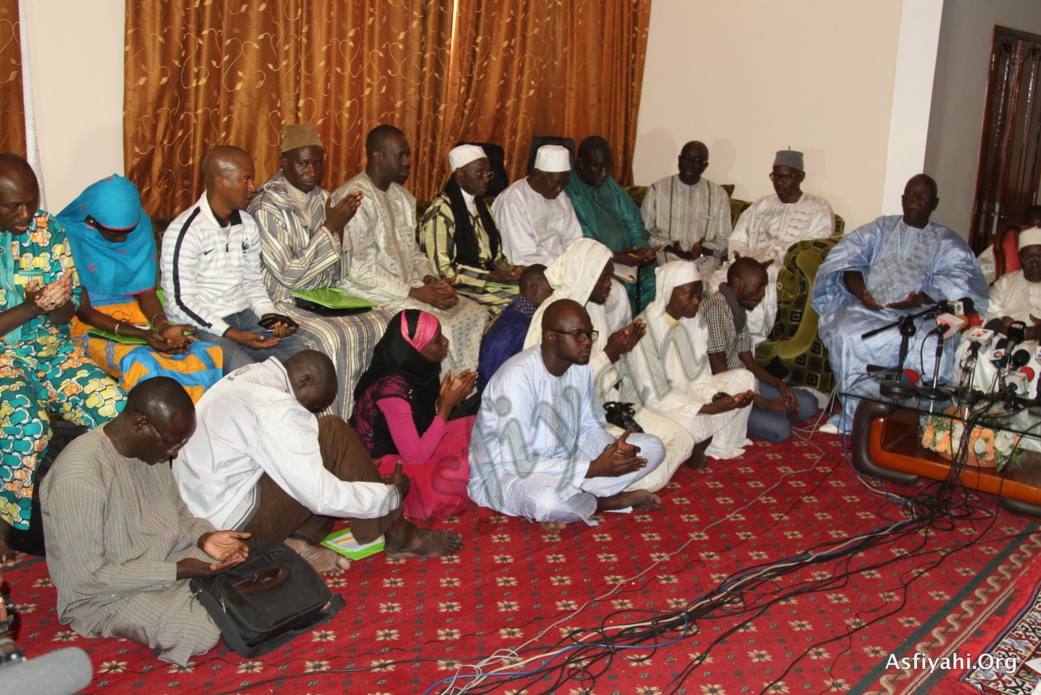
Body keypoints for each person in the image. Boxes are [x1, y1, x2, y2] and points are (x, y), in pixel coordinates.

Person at [175, 349, 463, 575]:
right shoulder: (274, 408)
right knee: (333, 432)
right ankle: (400, 533)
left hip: (210, 512)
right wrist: (388, 496)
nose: (313, 413)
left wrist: (356, 478)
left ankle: (296, 542)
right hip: (231, 537)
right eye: (314, 406)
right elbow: (321, 497)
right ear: (305, 382)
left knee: (325, 441)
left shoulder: (253, 376)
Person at [40, 377, 250, 666]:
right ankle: (200, 597)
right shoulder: (79, 476)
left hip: (169, 559)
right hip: (106, 594)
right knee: (201, 629)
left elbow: (178, 512)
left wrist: (204, 537)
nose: (174, 453)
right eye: (172, 443)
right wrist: (175, 571)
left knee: (246, 569)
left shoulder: (152, 452)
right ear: (140, 424)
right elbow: (86, 577)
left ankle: (203, 594)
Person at [0, 154, 125, 559]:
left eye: (31, 201)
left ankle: (118, 516)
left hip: (50, 352)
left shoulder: (48, 229)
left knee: (114, 406)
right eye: (13, 206)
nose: (26, 213)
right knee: (26, 422)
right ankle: (4, 530)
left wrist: (57, 305)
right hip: (2, 358)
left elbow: (70, 310)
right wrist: (32, 307)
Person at [811, 174, 989, 434]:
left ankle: (921, 424)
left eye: (923, 195)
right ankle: (853, 418)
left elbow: (962, 282)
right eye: (911, 193)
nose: (916, 199)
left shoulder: (947, 241)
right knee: (846, 334)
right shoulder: (880, 229)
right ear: (903, 199)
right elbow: (848, 261)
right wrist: (862, 293)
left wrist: (920, 299)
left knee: (932, 344)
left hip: (918, 316)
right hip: (868, 310)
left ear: (934, 203)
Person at [469, 299, 664, 532]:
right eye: (578, 335)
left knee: (653, 447)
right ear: (551, 336)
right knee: (545, 502)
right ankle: (606, 501)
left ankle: (576, 500)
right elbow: (517, 462)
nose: (588, 342)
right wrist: (592, 469)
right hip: (507, 474)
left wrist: (610, 452)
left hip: (569, 459)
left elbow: (589, 428)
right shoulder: (516, 379)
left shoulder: (580, 367)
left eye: (590, 334)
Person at [522, 238, 695, 485]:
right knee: (648, 459)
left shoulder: (593, 309)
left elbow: (604, 377)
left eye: (610, 278)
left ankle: (608, 482)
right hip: (566, 426)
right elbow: (560, 393)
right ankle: (604, 485)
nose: (609, 286)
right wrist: (611, 353)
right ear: (585, 275)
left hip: (603, 410)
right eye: (603, 278)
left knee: (681, 439)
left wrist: (623, 350)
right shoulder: (553, 318)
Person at [249, 124, 392, 418]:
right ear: (284, 163)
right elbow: (288, 274)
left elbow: (338, 270)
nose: (311, 171)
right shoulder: (266, 206)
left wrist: (338, 232)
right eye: (302, 164)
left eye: (317, 164)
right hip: (280, 302)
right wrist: (331, 227)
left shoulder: (323, 198)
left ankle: (367, 420)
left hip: (322, 295)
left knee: (386, 321)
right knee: (329, 339)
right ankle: (330, 424)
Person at [330, 125, 488, 375]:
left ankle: (464, 392)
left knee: (474, 311)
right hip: (371, 292)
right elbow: (357, 269)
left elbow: (414, 252)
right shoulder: (354, 198)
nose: (408, 162)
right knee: (437, 330)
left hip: (411, 285)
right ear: (377, 156)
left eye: (408, 155)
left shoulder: (403, 198)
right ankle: (442, 398)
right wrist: (416, 292)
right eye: (401, 155)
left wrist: (431, 280)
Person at [59, 175, 223, 402]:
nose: (123, 238)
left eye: (129, 229)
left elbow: (146, 293)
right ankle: (153, 429)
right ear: (91, 220)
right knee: (143, 363)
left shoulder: (141, 226)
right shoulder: (64, 234)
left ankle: (199, 427)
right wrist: (144, 335)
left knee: (204, 353)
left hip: (136, 316)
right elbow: (84, 311)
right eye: (114, 232)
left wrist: (162, 327)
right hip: (88, 322)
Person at [160, 145, 305, 375]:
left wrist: (270, 317)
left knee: (306, 361)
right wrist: (232, 334)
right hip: (203, 325)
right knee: (247, 374)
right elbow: (180, 302)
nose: (252, 187)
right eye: (245, 180)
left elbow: (252, 282)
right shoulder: (186, 231)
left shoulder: (247, 224)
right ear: (221, 181)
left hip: (244, 317)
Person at [620, 261, 755, 480]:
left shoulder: (696, 320)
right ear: (667, 292)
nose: (696, 301)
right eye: (689, 295)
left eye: (699, 294)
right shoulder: (643, 330)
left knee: (744, 379)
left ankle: (713, 443)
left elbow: (701, 377)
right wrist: (709, 409)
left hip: (688, 396)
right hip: (652, 407)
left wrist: (715, 400)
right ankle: (700, 438)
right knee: (688, 425)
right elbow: (655, 398)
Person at [350, 310, 476, 520]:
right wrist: (446, 407)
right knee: (455, 474)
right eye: (437, 341)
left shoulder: (417, 367)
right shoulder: (391, 391)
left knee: (479, 425)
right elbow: (415, 457)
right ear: (414, 350)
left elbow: (418, 421)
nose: (445, 342)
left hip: (410, 446)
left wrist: (442, 400)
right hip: (386, 466)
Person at [493, 144, 632, 330]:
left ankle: (606, 350)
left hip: (568, 270)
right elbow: (521, 255)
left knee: (618, 292)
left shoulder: (560, 196)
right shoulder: (513, 200)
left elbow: (575, 239)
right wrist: (569, 268)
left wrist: (582, 265)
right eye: (556, 183)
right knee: (588, 299)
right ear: (538, 174)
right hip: (541, 276)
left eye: (564, 183)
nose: (560, 189)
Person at [718, 149, 835, 347]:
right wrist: (742, 258)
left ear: (801, 176)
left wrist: (774, 259)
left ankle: (744, 348)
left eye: (786, 177)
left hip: (774, 271)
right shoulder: (761, 205)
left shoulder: (818, 208)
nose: (779, 182)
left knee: (756, 286)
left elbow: (810, 248)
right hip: (745, 267)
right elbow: (738, 238)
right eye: (775, 176)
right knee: (715, 283)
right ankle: (714, 343)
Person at [701, 257, 819, 442]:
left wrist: (780, 385)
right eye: (759, 286)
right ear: (739, 283)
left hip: (744, 383)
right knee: (781, 429)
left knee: (809, 404)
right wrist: (766, 404)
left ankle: (763, 409)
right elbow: (720, 377)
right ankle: (745, 415)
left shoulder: (736, 309)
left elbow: (749, 363)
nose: (762, 293)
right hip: (724, 392)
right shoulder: (715, 310)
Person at [420, 144, 522, 312]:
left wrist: (512, 272)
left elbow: (495, 259)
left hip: (488, 282)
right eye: (478, 173)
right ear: (459, 173)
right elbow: (443, 272)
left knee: (538, 293)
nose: (485, 179)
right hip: (460, 288)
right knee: (521, 303)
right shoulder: (441, 211)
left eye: (487, 174)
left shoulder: (482, 207)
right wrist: (489, 277)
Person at [565, 136, 658, 316]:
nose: (604, 173)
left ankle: (646, 338)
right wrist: (616, 257)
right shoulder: (570, 190)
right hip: (603, 264)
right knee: (619, 291)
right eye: (597, 166)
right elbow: (584, 238)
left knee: (658, 281)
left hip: (630, 259)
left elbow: (632, 219)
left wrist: (641, 250)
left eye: (608, 166)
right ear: (580, 163)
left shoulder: (608, 184)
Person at [641, 141, 732, 277]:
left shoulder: (719, 195)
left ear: (704, 166)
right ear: (679, 160)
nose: (690, 164)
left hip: (704, 261)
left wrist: (704, 249)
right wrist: (670, 247)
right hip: (667, 257)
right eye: (686, 158)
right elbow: (643, 231)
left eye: (696, 160)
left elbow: (725, 240)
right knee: (674, 283)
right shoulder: (657, 190)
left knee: (703, 287)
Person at [477, 264, 552, 390]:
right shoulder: (513, 329)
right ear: (534, 288)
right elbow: (495, 379)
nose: (554, 297)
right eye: (551, 291)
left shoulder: (518, 313)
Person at [976, 206, 1041, 285]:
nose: (1035, 232)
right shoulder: (1007, 245)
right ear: (1023, 228)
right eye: (1032, 228)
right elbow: (981, 274)